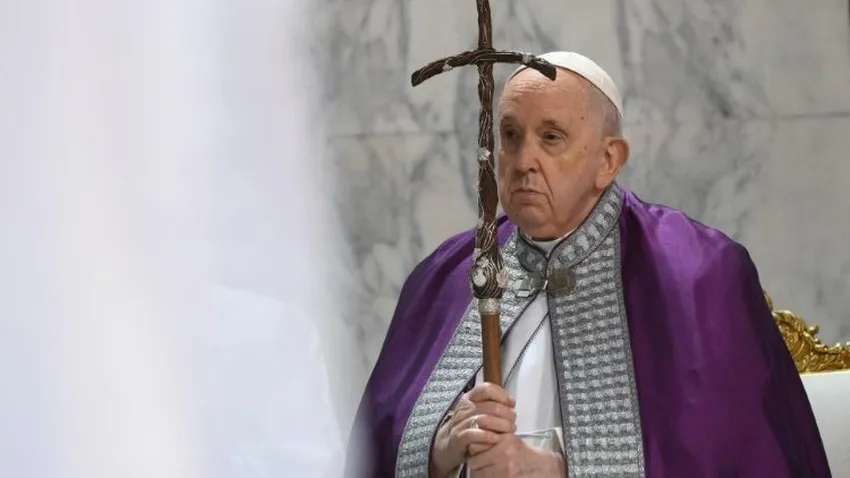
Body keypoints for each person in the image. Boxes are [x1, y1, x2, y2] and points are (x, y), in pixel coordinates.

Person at [346, 51, 831, 477]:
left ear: (608, 160)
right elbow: (374, 448)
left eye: (551, 137)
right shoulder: (446, 278)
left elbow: (736, 453)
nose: (523, 160)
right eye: (510, 135)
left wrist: (558, 469)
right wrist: (438, 454)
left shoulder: (698, 275)